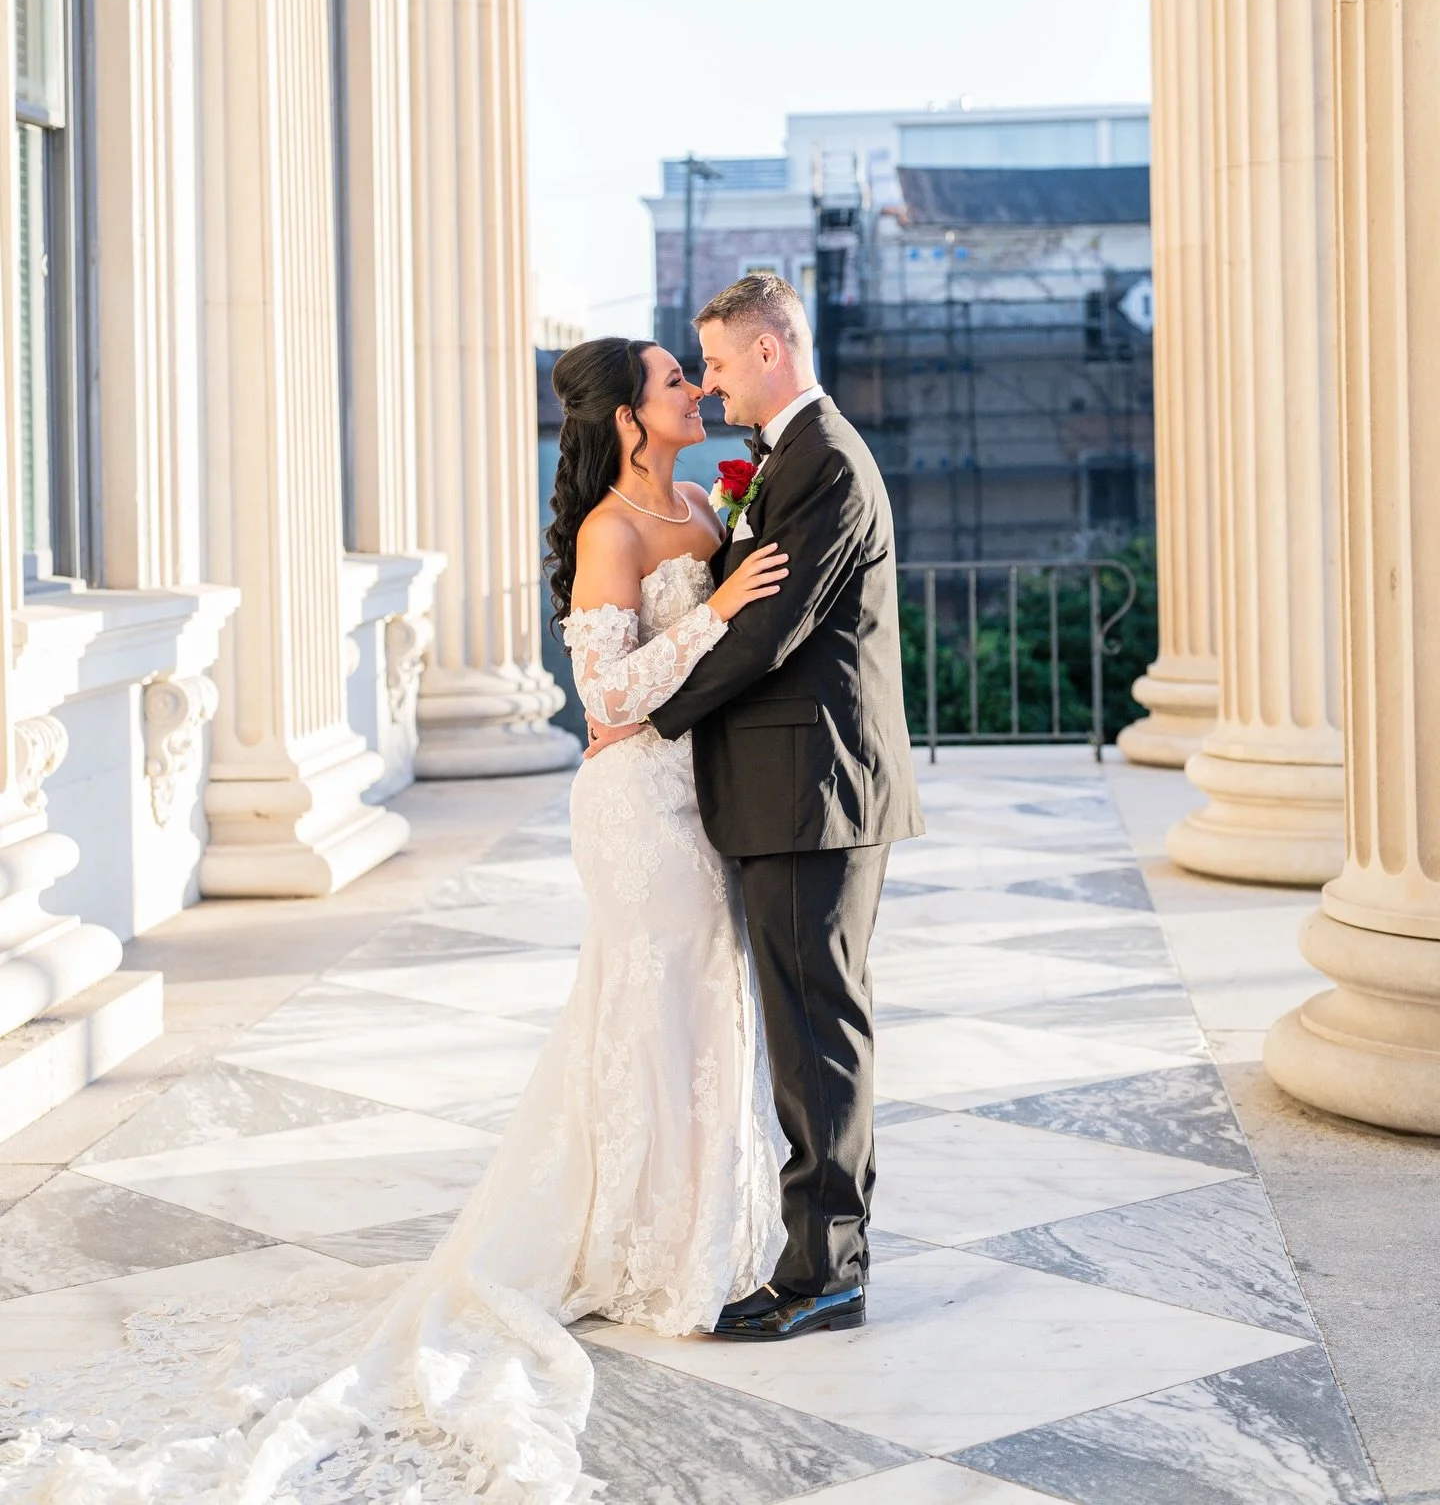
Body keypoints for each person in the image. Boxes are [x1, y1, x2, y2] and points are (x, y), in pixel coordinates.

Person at [0, 337, 793, 1504]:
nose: (695, 390)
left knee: (706, 1002)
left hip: (697, 794)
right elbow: (607, 699)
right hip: (635, 806)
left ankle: (696, 1231)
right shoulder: (609, 533)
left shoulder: (692, 499)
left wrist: (724, 573)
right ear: (630, 418)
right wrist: (718, 602)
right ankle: (642, 1248)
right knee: (649, 1008)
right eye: (676, 380)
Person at [587, 272, 923, 1342]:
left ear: (769, 352)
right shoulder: (793, 459)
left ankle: (826, 1268)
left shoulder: (821, 460)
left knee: (817, 1033)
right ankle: (813, 1251)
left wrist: (645, 714)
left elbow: (765, 630)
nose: (713, 384)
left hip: (810, 793)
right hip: (787, 791)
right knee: (800, 1027)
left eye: (719, 364)